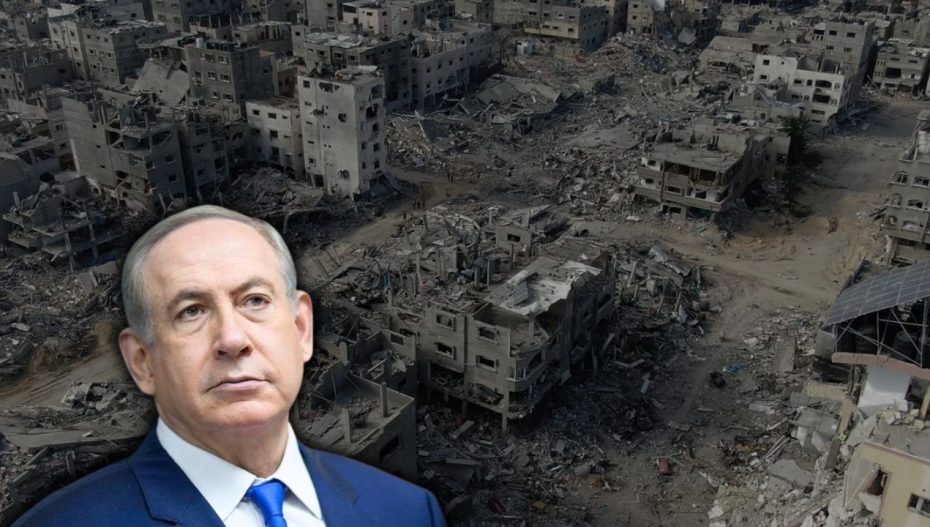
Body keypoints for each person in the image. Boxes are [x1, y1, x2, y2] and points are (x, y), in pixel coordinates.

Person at [13, 205, 445, 527]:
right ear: (142, 362)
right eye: (191, 311)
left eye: (255, 301)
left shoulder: (407, 512)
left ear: (301, 329)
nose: (233, 339)